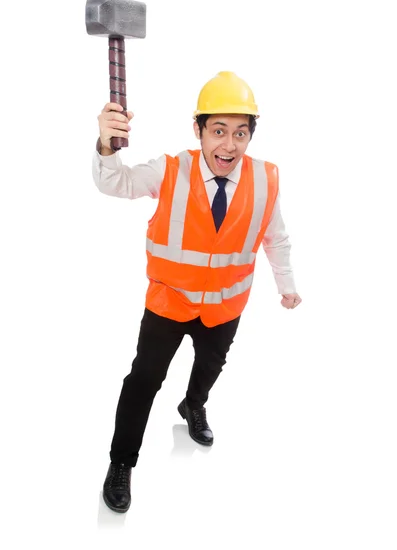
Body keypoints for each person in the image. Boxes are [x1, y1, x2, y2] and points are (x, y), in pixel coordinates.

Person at [92, 71, 302, 513]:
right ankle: (120, 463)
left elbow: (275, 237)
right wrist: (107, 147)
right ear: (199, 130)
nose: (229, 145)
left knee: (210, 366)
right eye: (219, 131)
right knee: (143, 381)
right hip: (169, 303)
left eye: (240, 133)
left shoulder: (265, 179)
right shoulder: (170, 170)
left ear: (251, 135)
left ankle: (193, 406)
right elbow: (115, 183)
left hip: (225, 306)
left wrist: (287, 287)